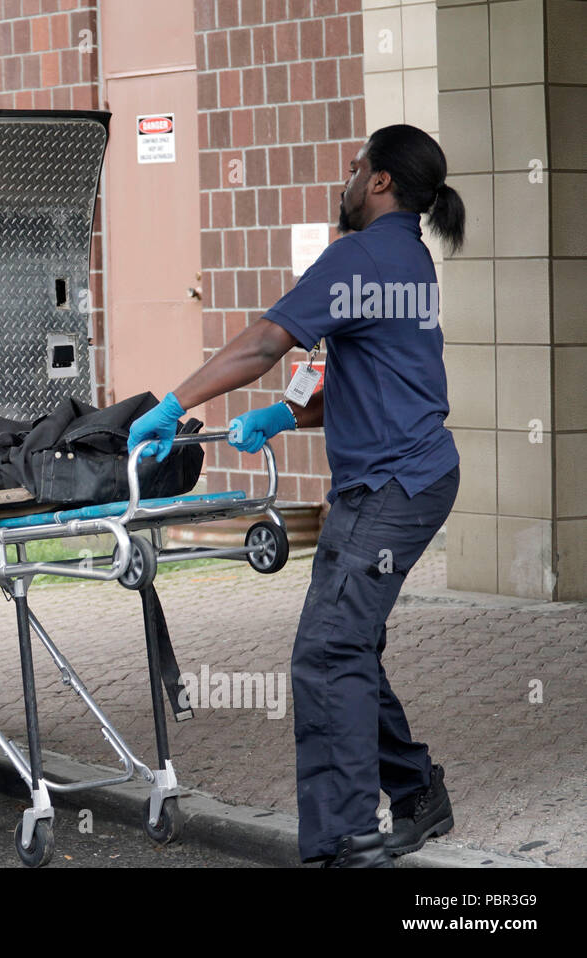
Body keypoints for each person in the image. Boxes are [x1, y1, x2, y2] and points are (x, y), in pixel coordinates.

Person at [128, 125, 465, 868]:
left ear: (379, 182)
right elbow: (378, 373)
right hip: (412, 478)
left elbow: (263, 343)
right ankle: (415, 795)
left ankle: (345, 839)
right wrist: (288, 414)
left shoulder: (360, 254)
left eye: (354, 169)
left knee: (327, 652)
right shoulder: (408, 256)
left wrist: (171, 403)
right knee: (350, 647)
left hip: (392, 487)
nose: (343, 181)